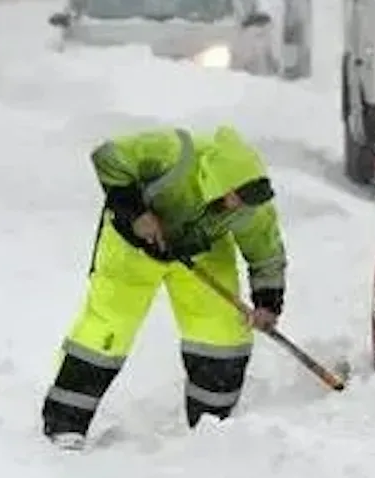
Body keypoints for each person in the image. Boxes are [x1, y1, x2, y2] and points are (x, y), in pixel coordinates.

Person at [41, 125, 287, 451]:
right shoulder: (173, 153)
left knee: (223, 334)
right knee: (107, 329)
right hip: (133, 242)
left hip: (200, 247)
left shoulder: (251, 205)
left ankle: (213, 427)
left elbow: (266, 253)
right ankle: (65, 425)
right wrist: (136, 212)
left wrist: (268, 303)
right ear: (219, 181)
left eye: (244, 203)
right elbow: (108, 157)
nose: (237, 207)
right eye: (234, 198)